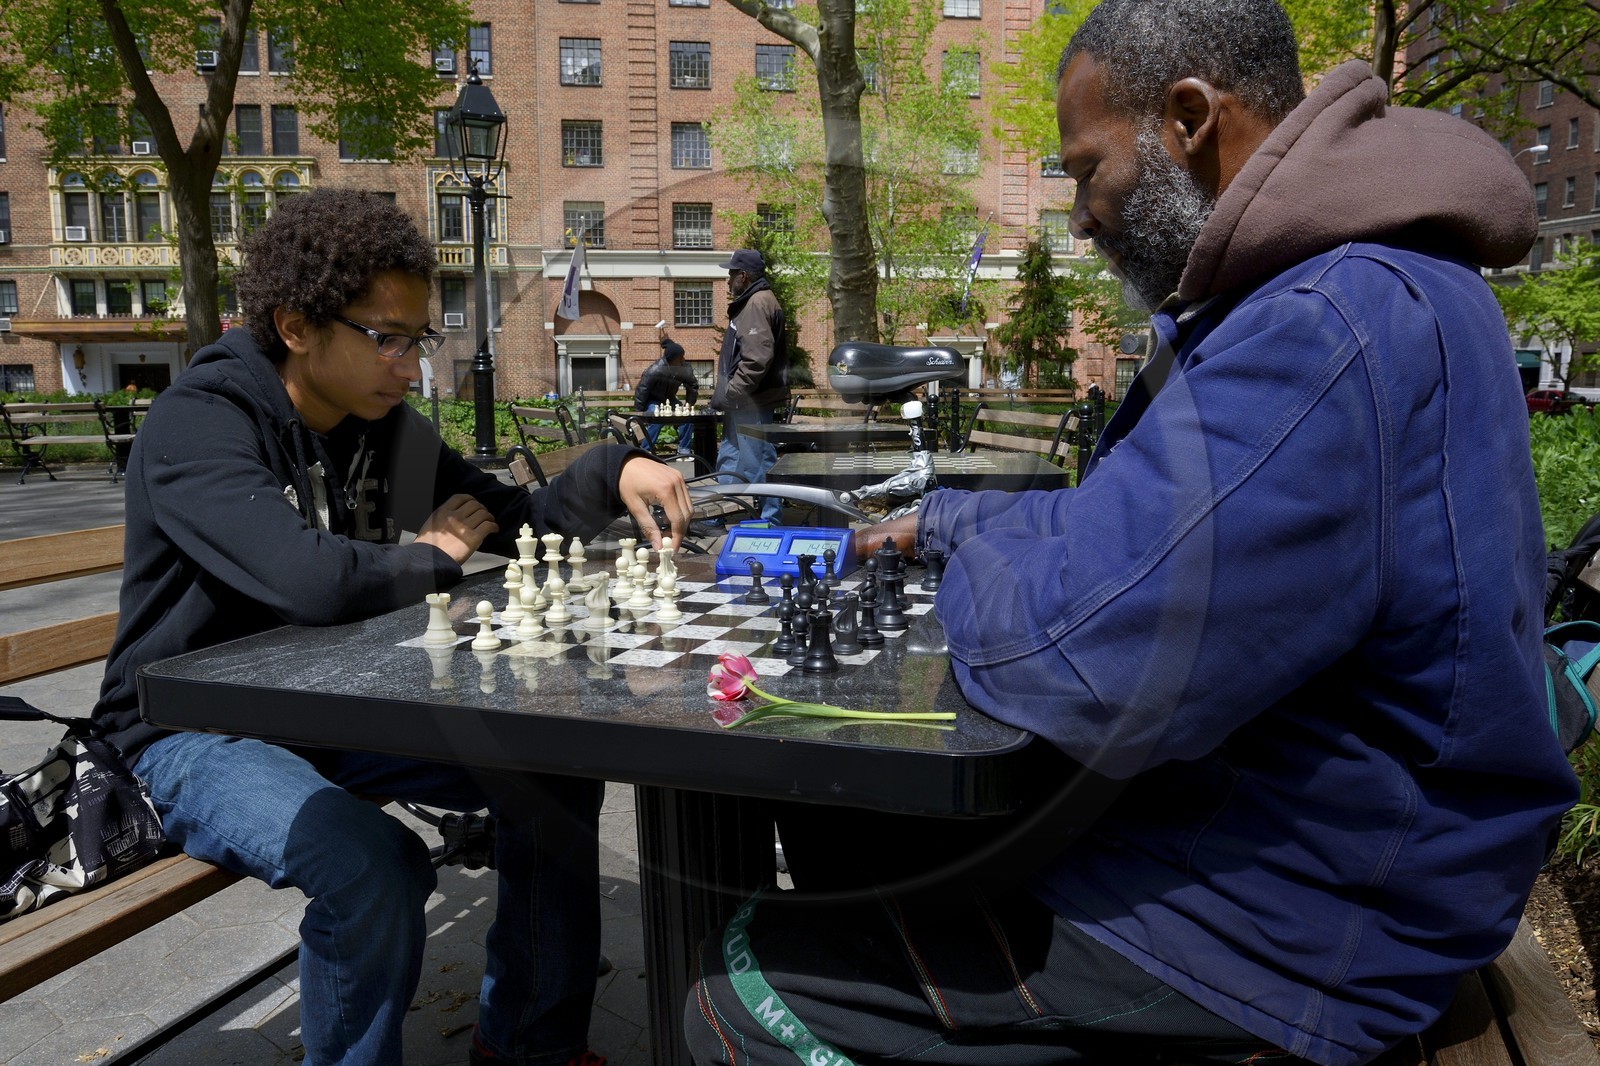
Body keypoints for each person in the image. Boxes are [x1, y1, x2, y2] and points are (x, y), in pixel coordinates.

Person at [683, 1, 1579, 1064]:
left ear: (1190, 119)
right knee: (848, 826)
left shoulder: (1323, 328)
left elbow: (1068, 658)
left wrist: (983, 564)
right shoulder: (1344, 288)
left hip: (1306, 922)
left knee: (736, 989)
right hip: (1328, 851)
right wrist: (950, 521)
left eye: (1083, 170)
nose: (1076, 217)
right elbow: (1120, 527)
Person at [94, 187, 691, 1066]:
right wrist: (433, 556)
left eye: (419, 339)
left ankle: (528, 1044)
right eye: (387, 337)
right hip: (190, 729)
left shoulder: (380, 427)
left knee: (553, 774)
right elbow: (309, 582)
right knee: (372, 866)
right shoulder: (202, 421)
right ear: (297, 325)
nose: (409, 366)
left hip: (332, 710)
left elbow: (522, 517)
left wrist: (616, 466)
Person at [711, 249, 789, 522]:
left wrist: (732, 392)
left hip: (752, 401)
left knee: (758, 462)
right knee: (729, 459)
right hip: (744, 401)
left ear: (743, 276)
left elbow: (756, 360)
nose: (728, 280)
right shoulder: (753, 301)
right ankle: (715, 516)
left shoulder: (756, 303)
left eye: (731, 274)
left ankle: (770, 522)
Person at [633, 336, 700, 456]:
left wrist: (689, 404)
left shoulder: (684, 368)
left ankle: (684, 449)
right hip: (653, 400)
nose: (683, 359)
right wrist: (639, 414)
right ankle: (645, 451)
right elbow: (642, 390)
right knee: (656, 416)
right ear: (671, 359)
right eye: (680, 357)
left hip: (670, 400)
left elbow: (693, 385)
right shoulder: (655, 370)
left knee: (687, 416)